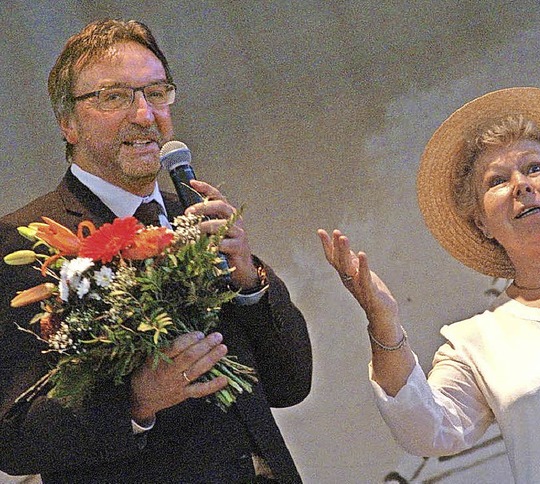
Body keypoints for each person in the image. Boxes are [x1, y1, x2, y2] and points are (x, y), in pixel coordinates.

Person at [0, 19, 312, 483]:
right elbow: (14, 440)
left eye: (157, 92)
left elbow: (291, 383)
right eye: (114, 97)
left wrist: (247, 279)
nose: (145, 115)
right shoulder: (28, 240)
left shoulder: (194, 214)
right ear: (67, 122)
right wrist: (136, 400)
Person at [318, 87, 540, 483]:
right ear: (481, 224)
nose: (521, 185)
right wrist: (383, 321)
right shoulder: (476, 342)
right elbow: (426, 430)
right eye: (497, 180)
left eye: (535, 168)